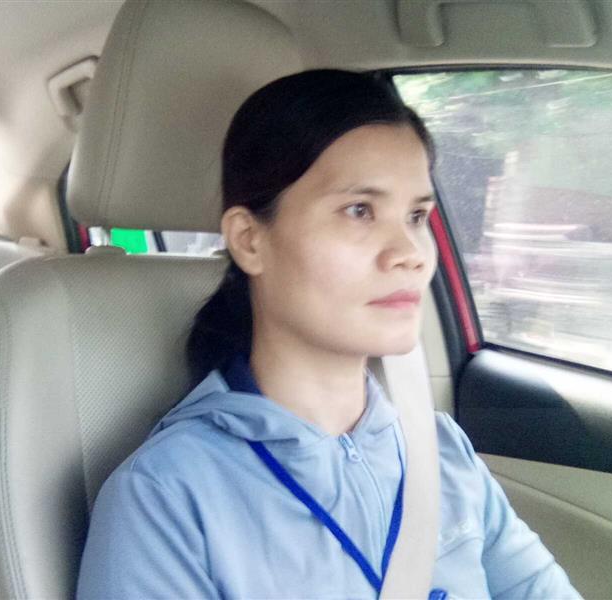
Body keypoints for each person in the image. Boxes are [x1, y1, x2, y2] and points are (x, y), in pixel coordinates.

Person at [76, 69, 581, 599]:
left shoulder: (440, 452)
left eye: (416, 215)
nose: (410, 252)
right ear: (249, 240)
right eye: (360, 211)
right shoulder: (168, 497)